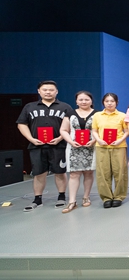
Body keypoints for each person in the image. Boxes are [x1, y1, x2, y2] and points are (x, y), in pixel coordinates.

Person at [17, 80, 73, 212]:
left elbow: (72, 125)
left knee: (60, 172)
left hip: (59, 146)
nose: (48, 92)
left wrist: (60, 138)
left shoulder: (65, 107)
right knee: (39, 173)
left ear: (56, 91)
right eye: (45, 90)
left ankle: (61, 197)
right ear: (39, 91)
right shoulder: (29, 107)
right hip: (37, 146)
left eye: (51, 90)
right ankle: (37, 199)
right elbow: (21, 124)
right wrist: (31, 139)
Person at [59, 91, 97, 213]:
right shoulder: (70, 113)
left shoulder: (97, 114)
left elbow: (101, 130)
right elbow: (63, 130)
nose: (83, 102)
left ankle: (86, 197)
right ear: (76, 101)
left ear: (91, 101)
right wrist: (70, 141)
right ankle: (72, 201)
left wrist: (94, 140)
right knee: (74, 174)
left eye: (86, 99)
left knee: (89, 173)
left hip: (91, 147)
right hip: (74, 148)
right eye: (81, 99)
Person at [91, 93, 129, 208]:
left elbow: (127, 131)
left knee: (120, 171)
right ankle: (106, 197)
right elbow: (94, 130)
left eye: (112, 101)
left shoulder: (122, 115)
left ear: (117, 102)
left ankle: (119, 196)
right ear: (103, 102)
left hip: (119, 146)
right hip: (101, 147)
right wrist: (98, 140)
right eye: (107, 101)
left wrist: (119, 140)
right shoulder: (97, 115)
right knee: (103, 173)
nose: (109, 103)